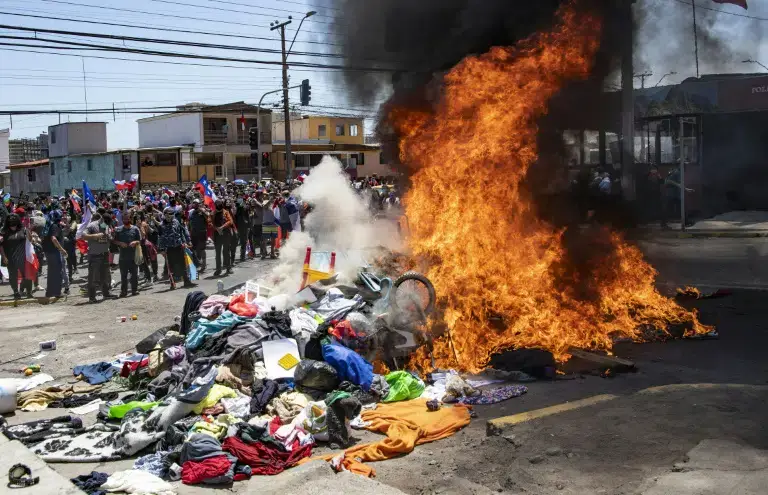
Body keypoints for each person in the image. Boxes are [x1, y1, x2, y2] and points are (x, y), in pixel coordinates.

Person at [157, 206, 196, 289]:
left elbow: (181, 232)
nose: (169, 216)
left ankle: (186, 281)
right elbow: (160, 238)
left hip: (178, 246)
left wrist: (185, 242)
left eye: (171, 214)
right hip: (169, 248)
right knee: (170, 266)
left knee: (182, 264)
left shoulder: (176, 222)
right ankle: (172, 283)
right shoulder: (161, 225)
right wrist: (162, 249)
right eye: (167, 215)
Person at [82, 212, 116, 303]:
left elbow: (109, 237)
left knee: (106, 275)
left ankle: (106, 293)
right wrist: (95, 236)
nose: (106, 225)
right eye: (105, 223)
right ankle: (92, 297)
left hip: (105, 254)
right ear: (101, 219)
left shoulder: (107, 226)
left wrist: (111, 237)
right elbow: (83, 236)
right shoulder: (92, 226)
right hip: (95, 255)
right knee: (93, 277)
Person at [0, 213, 33, 299]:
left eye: (14, 219)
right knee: (12, 276)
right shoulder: (3, 232)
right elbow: (1, 245)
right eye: (10, 219)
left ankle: (28, 292)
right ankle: (16, 292)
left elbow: (30, 240)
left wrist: (28, 231)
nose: (12, 221)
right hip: (10, 257)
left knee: (27, 275)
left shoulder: (23, 229)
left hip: (23, 256)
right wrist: (3, 257)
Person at [113, 210, 142, 297]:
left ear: (130, 219)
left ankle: (134, 290)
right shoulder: (118, 230)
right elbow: (114, 241)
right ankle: (123, 292)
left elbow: (140, 240)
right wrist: (120, 243)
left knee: (134, 275)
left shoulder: (135, 229)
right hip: (123, 257)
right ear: (122, 220)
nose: (126, 220)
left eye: (128, 218)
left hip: (133, 256)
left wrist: (135, 242)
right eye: (124, 219)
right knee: (123, 276)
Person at [41, 209, 68, 298]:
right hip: (54, 252)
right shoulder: (55, 226)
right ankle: (56, 292)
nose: (62, 217)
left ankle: (50, 292)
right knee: (57, 273)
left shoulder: (49, 225)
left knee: (52, 273)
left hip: (49, 251)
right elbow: (54, 238)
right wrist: (62, 249)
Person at [212, 200, 234, 277]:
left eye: (220, 204)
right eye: (217, 204)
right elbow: (209, 222)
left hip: (226, 234)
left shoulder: (226, 212)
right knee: (217, 253)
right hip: (217, 234)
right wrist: (216, 228)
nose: (219, 206)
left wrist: (222, 227)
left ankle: (228, 268)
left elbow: (230, 221)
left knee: (226, 252)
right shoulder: (213, 213)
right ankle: (218, 269)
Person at [187, 199, 209, 273]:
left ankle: (204, 264)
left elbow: (208, 217)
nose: (195, 205)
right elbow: (189, 222)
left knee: (202, 249)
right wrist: (189, 231)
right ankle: (197, 263)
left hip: (202, 233)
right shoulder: (191, 212)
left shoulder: (203, 211)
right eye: (194, 203)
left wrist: (202, 211)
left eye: (197, 203)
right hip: (194, 233)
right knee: (194, 249)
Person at [234, 196, 250, 262]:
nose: (244, 202)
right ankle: (234, 257)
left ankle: (242, 256)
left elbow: (247, 217)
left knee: (244, 242)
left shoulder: (244, 208)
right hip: (240, 227)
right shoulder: (238, 209)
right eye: (242, 201)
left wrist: (248, 226)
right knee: (237, 242)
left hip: (244, 227)